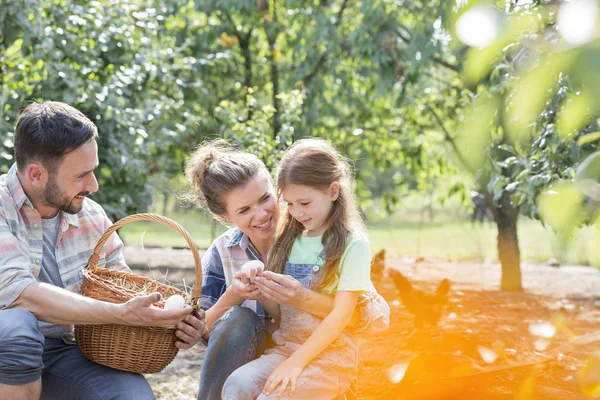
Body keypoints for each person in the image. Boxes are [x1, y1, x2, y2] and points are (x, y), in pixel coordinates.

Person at [0, 101, 206, 400]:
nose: (93, 185)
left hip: (65, 352)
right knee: (18, 330)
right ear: (36, 175)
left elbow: (122, 294)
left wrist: (170, 322)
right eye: (80, 175)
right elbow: (20, 294)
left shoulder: (92, 217)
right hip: (6, 351)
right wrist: (121, 313)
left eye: (93, 171)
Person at [185, 139, 389, 400]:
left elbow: (367, 316)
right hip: (273, 353)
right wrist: (240, 295)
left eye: (265, 198)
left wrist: (301, 298)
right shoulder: (223, 251)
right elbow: (201, 332)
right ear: (226, 216)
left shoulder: (315, 233)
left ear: (275, 189)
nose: (260, 214)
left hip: (320, 354)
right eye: (245, 209)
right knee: (238, 320)